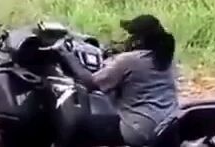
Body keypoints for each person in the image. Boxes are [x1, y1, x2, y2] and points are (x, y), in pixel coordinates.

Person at [58, 14, 179, 147]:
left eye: (129, 35)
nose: (126, 39)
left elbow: (91, 83)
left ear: (139, 40)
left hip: (139, 130)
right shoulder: (165, 59)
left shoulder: (129, 60)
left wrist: (68, 56)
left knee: (80, 126)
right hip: (167, 128)